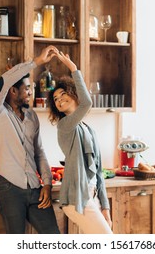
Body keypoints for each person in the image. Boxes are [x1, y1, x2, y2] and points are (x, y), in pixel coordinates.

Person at [0, 45, 60, 234]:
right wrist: (36, 62)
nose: (31, 92)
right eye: (27, 88)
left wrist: (47, 184)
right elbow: (3, 81)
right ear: (13, 91)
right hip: (8, 187)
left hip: (34, 187)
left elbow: (39, 152)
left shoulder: (32, 116)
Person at [46, 51, 113, 234]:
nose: (59, 100)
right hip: (76, 198)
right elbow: (87, 103)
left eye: (62, 95)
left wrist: (105, 208)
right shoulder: (65, 125)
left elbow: (98, 172)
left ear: (73, 93)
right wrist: (73, 69)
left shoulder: (89, 130)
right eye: (55, 99)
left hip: (91, 196)